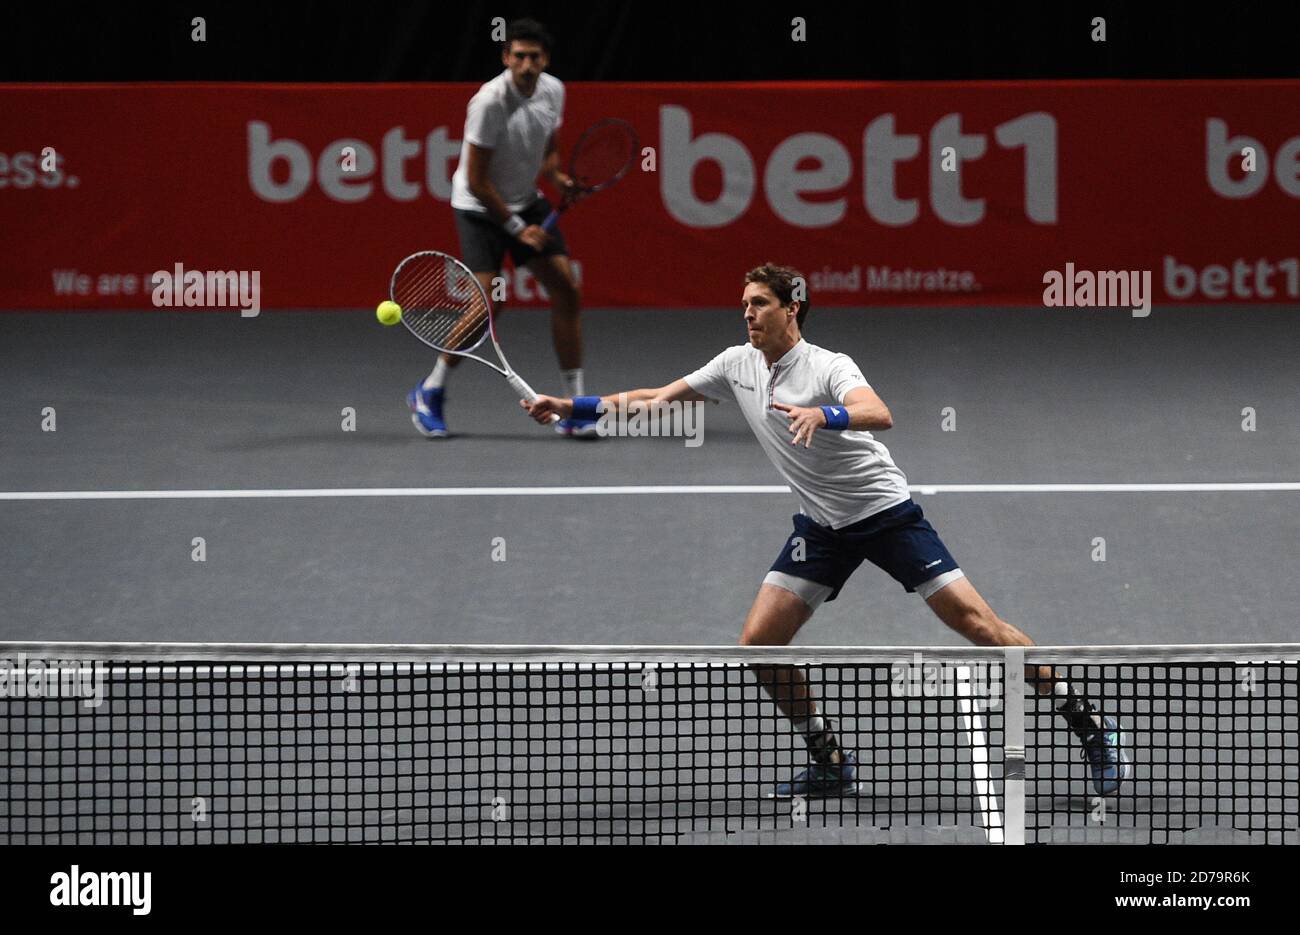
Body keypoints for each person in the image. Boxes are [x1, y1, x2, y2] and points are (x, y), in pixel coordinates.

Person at [523, 262, 1132, 798]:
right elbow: (656, 396)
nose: (747, 314)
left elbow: (879, 413)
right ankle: (829, 759)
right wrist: (569, 406)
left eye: (758, 304)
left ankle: (1088, 724)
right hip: (821, 526)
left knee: (979, 627)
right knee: (758, 647)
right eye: (743, 305)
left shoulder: (829, 365)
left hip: (885, 516)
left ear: (792, 309)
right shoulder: (736, 363)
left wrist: (825, 414)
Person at [410, 17, 594, 438]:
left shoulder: (554, 91)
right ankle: (430, 390)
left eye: (534, 56)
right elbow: (475, 178)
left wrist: (559, 180)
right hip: (480, 208)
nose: (526, 64)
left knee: (566, 289)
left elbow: (548, 155)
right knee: (489, 304)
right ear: (506, 57)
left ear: (544, 59)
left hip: (526, 200)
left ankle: (573, 406)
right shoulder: (489, 101)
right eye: (518, 56)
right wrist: (515, 227)